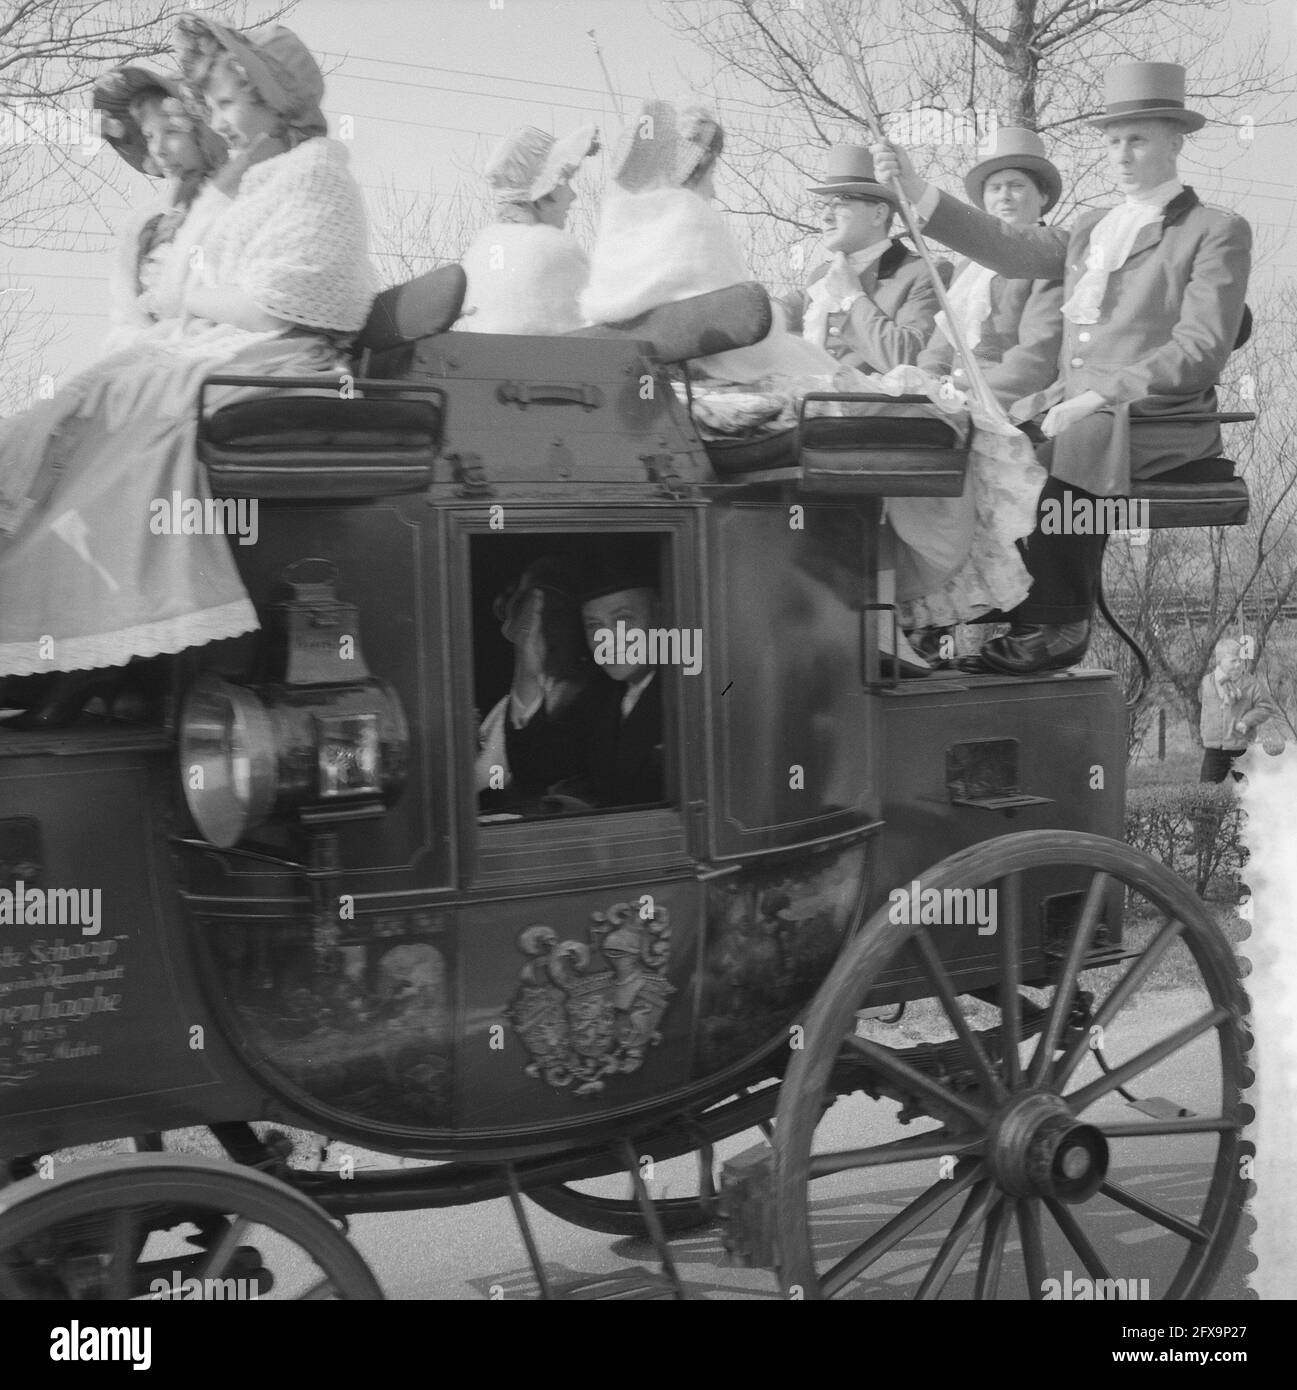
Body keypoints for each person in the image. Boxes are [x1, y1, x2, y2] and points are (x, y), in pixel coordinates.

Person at [0, 18, 376, 726]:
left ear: (274, 100)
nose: (220, 121)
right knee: (82, 407)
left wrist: (184, 301)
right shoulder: (252, 182)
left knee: (142, 424)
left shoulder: (317, 173)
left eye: (230, 105)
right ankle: (47, 638)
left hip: (285, 355)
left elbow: (281, 301)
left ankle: (108, 645)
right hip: (223, 342)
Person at [873, 61, 1252, 675]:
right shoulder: (1094, 227)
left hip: (1155, 413)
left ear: (1175, 142)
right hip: (1071, 405)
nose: (1122, 155)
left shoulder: (1217, 230)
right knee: (967, 446)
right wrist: (918, 190)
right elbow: (1008, 246)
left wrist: (1100, 395)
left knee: (1067, 442)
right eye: (1113, 141)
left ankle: (1059, 623)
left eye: (1138, 139)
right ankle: (933, 614)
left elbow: (1201, 349)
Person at [906, 128, 1065, 659]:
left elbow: (1035, 360)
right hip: (960, 400)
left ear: (1042, 196)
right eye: (995, 188)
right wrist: (925, 388)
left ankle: (945, 617)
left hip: (1018, 406)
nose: (1005, 197)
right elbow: (936, 348)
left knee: (955, 459)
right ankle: (918, 611)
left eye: (1017, 185)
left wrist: (963, 396)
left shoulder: (1051, 263)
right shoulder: (969, 274)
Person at [93, 64, 228, 353]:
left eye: (171, 132)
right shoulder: (144, 225)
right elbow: (123, 316)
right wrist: (142, 341)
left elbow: (228, 303)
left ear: (203, 133)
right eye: (150, 136)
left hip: (208, 357)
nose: (159, 149)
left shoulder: (233, 205)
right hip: (144, 357)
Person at [783, 144, 940, 375]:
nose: (826, 216)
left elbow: (907, 360)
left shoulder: (924, 273)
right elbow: (776, 313)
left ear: (878, 214)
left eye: (839, 204)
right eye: (823, 205)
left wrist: (851, 298)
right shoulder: (821, 276)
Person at [457, 124, 599, 335]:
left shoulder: (480, 252)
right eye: (564, 181)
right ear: (542, 193)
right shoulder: (550, 249)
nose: (572, 196)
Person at [475, 556, 594, 806]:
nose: (544, 631)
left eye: (558, 616)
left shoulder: (597, 701)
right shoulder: (509, 705)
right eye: (533, 619)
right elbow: (487, 780)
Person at [1199, 638, 1282, 783]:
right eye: (1233, 661)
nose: (1238, 665)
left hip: (1241, 746)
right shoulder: (1207, 682)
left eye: (1240, 660)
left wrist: (1247, 720)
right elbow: (1205, 706)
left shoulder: (1250, 684)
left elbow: (1266, 707)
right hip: (1214, 746)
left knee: (1250, 790)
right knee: (1206, 791)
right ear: (1220, 661)